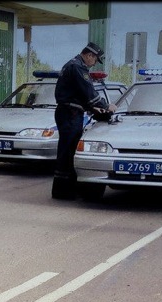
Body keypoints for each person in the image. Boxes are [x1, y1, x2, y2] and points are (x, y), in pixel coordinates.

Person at [51, 42, 117, 199]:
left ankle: (64, 190)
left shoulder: (71, 65)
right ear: (89, 55)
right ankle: (63, 192)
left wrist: (93, 108)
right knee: (68, 151)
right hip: (70, 113)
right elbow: (89, 93)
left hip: (68, 111)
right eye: (94, 60)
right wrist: (107, 106)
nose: (93, 64)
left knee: (67, 150)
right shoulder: (78, 68)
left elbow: (79, 94)